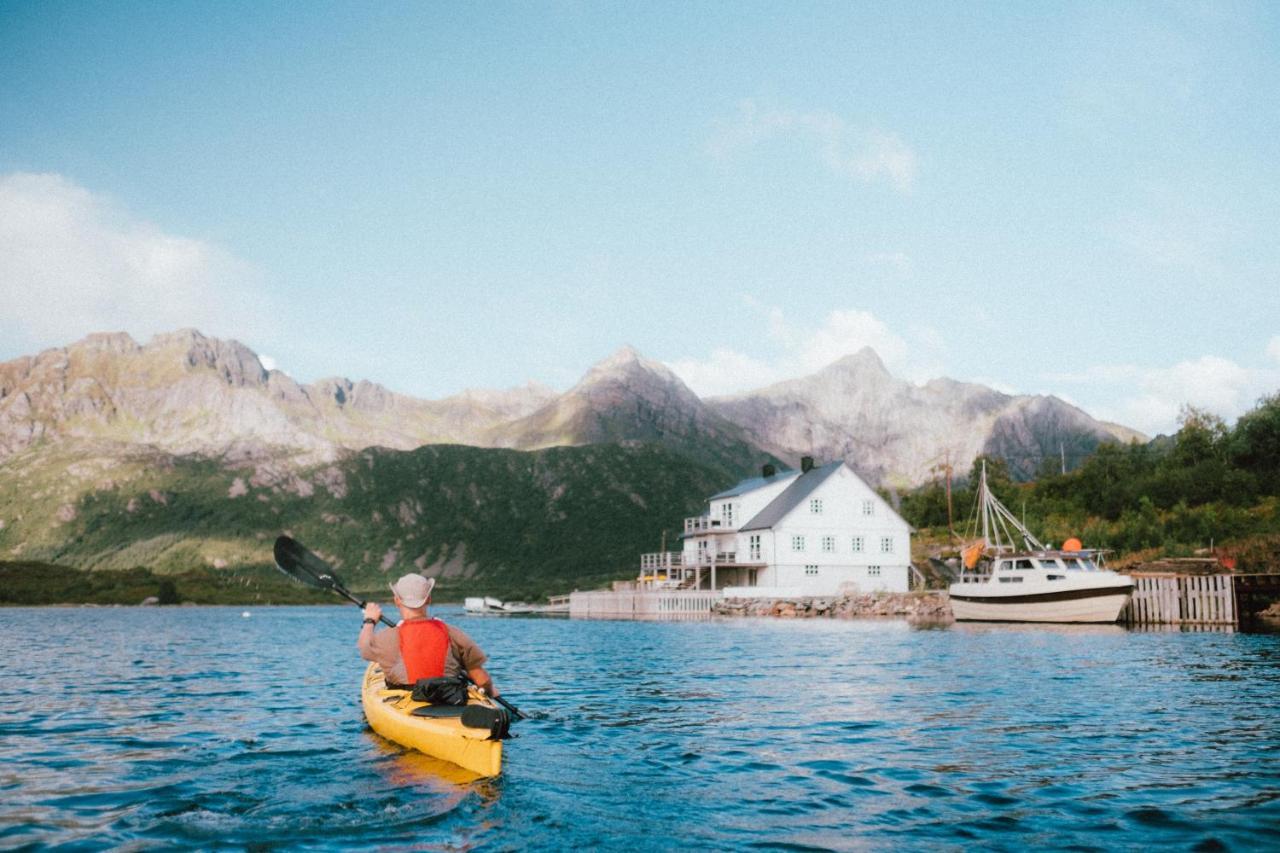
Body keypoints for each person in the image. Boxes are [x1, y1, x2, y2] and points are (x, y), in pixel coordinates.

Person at [357, 572, 499, 699]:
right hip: (450, 698)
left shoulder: (386, 638)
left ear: (397, 601)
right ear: (429, 599)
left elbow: (365, 649)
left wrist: (370, 620)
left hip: (406, 700)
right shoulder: (453, 633)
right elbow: (482, 680)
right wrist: (489, 690)